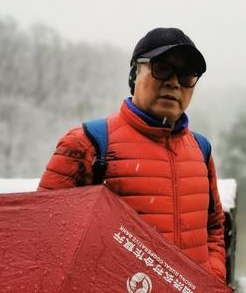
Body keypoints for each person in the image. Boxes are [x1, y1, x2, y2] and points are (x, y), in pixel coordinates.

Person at [38, 27, 227, 282]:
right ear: (134, 74)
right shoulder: (88, 144)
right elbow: (46, 235)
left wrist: (211, 275)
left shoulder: (201, 150)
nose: (174, 82)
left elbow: (213, 227)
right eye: (161, 68)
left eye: (186, 74)